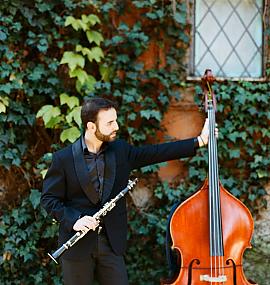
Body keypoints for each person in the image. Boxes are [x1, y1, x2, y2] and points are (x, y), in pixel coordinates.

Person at [41, 97, 212, 285]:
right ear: (91, 126)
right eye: (109, 122)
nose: (116, 126)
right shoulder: (63, 158)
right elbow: (49, 199)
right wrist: (74, 220)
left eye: (115, 120)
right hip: (76, 246)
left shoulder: (120, 150)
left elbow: (155, 152)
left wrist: (199, 141)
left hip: (111, 243)